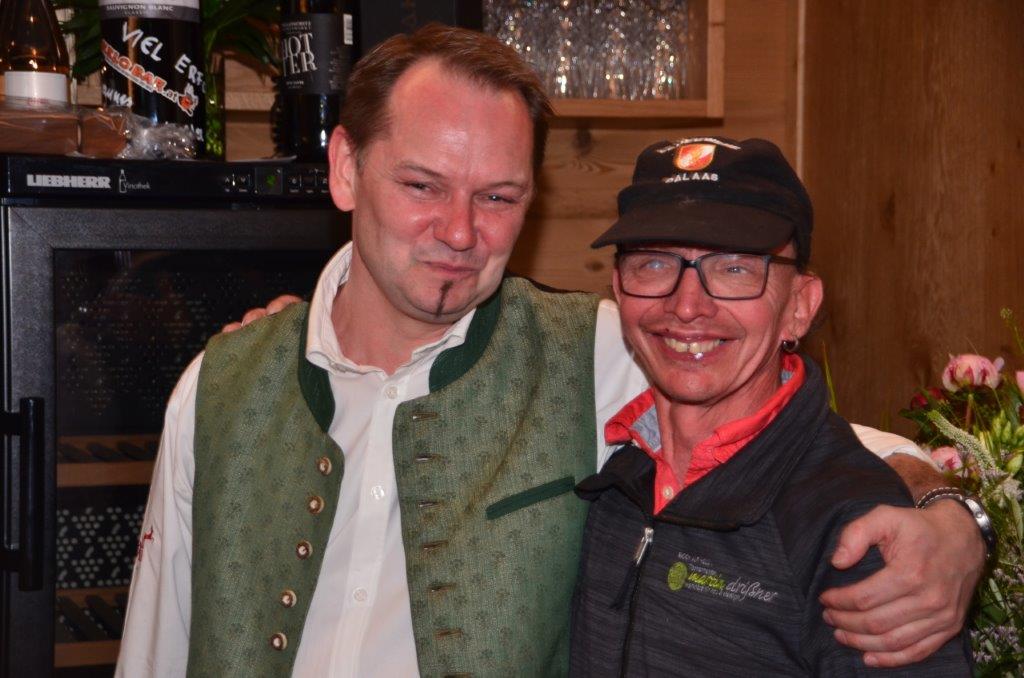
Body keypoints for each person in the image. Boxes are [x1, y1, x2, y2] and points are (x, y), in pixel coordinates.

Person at [116, 25, 985, 678]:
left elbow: (811, 440)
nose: (460, 231)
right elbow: (156, 647)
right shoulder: (219, 386)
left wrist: (951, 523)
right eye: (421, 185)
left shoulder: (600, 349)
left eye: (498, 197)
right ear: (346, 168)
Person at [570, 137, 975, 675]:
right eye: (654, 264)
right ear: (619, 290)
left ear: (799, 307)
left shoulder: (861, 533)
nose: (686, 306)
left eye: (735, 269)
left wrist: (961, 517)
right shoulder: (619, 473)